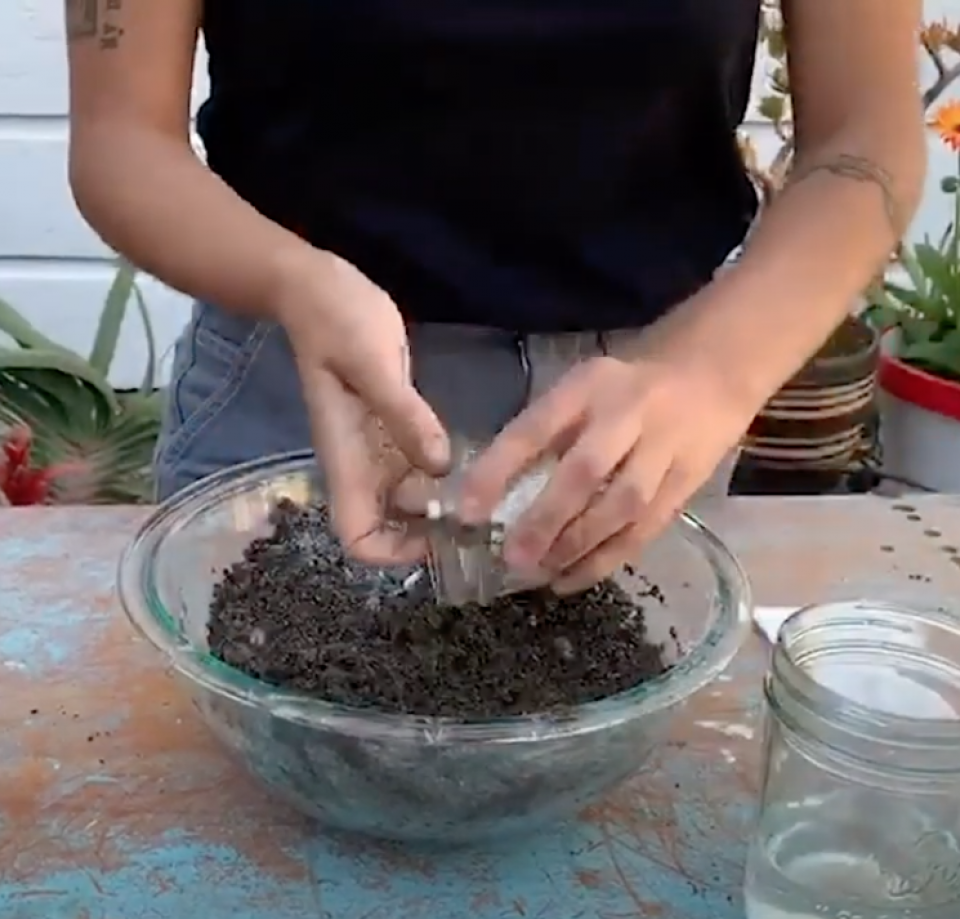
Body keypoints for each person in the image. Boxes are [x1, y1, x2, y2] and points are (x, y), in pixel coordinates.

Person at [66, 0, 925, 593]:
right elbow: (121, 141)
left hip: (634, 416)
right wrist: (297, 282)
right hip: (304, 393)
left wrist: (714, 370)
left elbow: (866, 141)